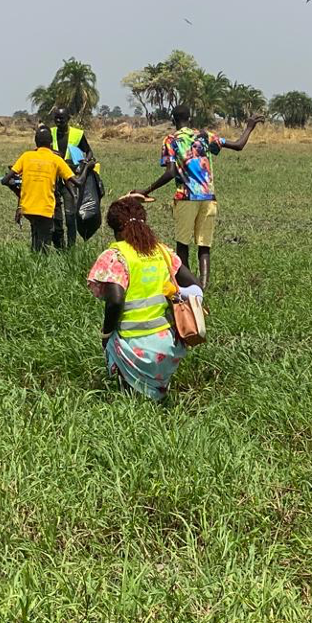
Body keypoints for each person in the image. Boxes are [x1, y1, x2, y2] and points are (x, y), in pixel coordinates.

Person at [131, 104, 263, 290]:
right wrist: (249, 127)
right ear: (190, 118)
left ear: (173, 119)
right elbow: (238, 145)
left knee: (182, 244)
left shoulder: (171, 140)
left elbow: (170, 173)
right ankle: (203, 287)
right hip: (208, 197)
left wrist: (146, 191)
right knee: (204, 245)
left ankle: (187, 288)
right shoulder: (205, 136)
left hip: (185, 197)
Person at [87, 197, 203, 402]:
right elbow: (196, 286)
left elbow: (115, 300)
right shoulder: (163, 252)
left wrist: (106, 334)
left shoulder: (115, 256)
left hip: (135, 345)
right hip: (168, 345)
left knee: (111, 341)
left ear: (115, 229)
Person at [2, 127, 77, 253]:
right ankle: (40, 267)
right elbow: (77, 182)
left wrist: (19, 190)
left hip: (28, 208)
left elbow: (5, 180)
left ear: (35, 141)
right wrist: (88, 167)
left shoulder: (26, 156)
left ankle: (34, 262)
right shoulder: (56, 159)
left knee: (36, 238)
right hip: (45, 209)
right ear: (51, 142)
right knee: (44, 246)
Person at [49, 107, 95, 249]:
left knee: (70, 215)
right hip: (53, 178)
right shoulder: (50, 133)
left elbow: (89, 152)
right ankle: (59, 246)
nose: (58, 121)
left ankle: (71, 247)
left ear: (68, 119)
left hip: (71, 178)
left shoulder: (77, 134)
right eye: (56, 118)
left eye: (61, 118)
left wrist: (85, 162)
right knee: (55, 214)